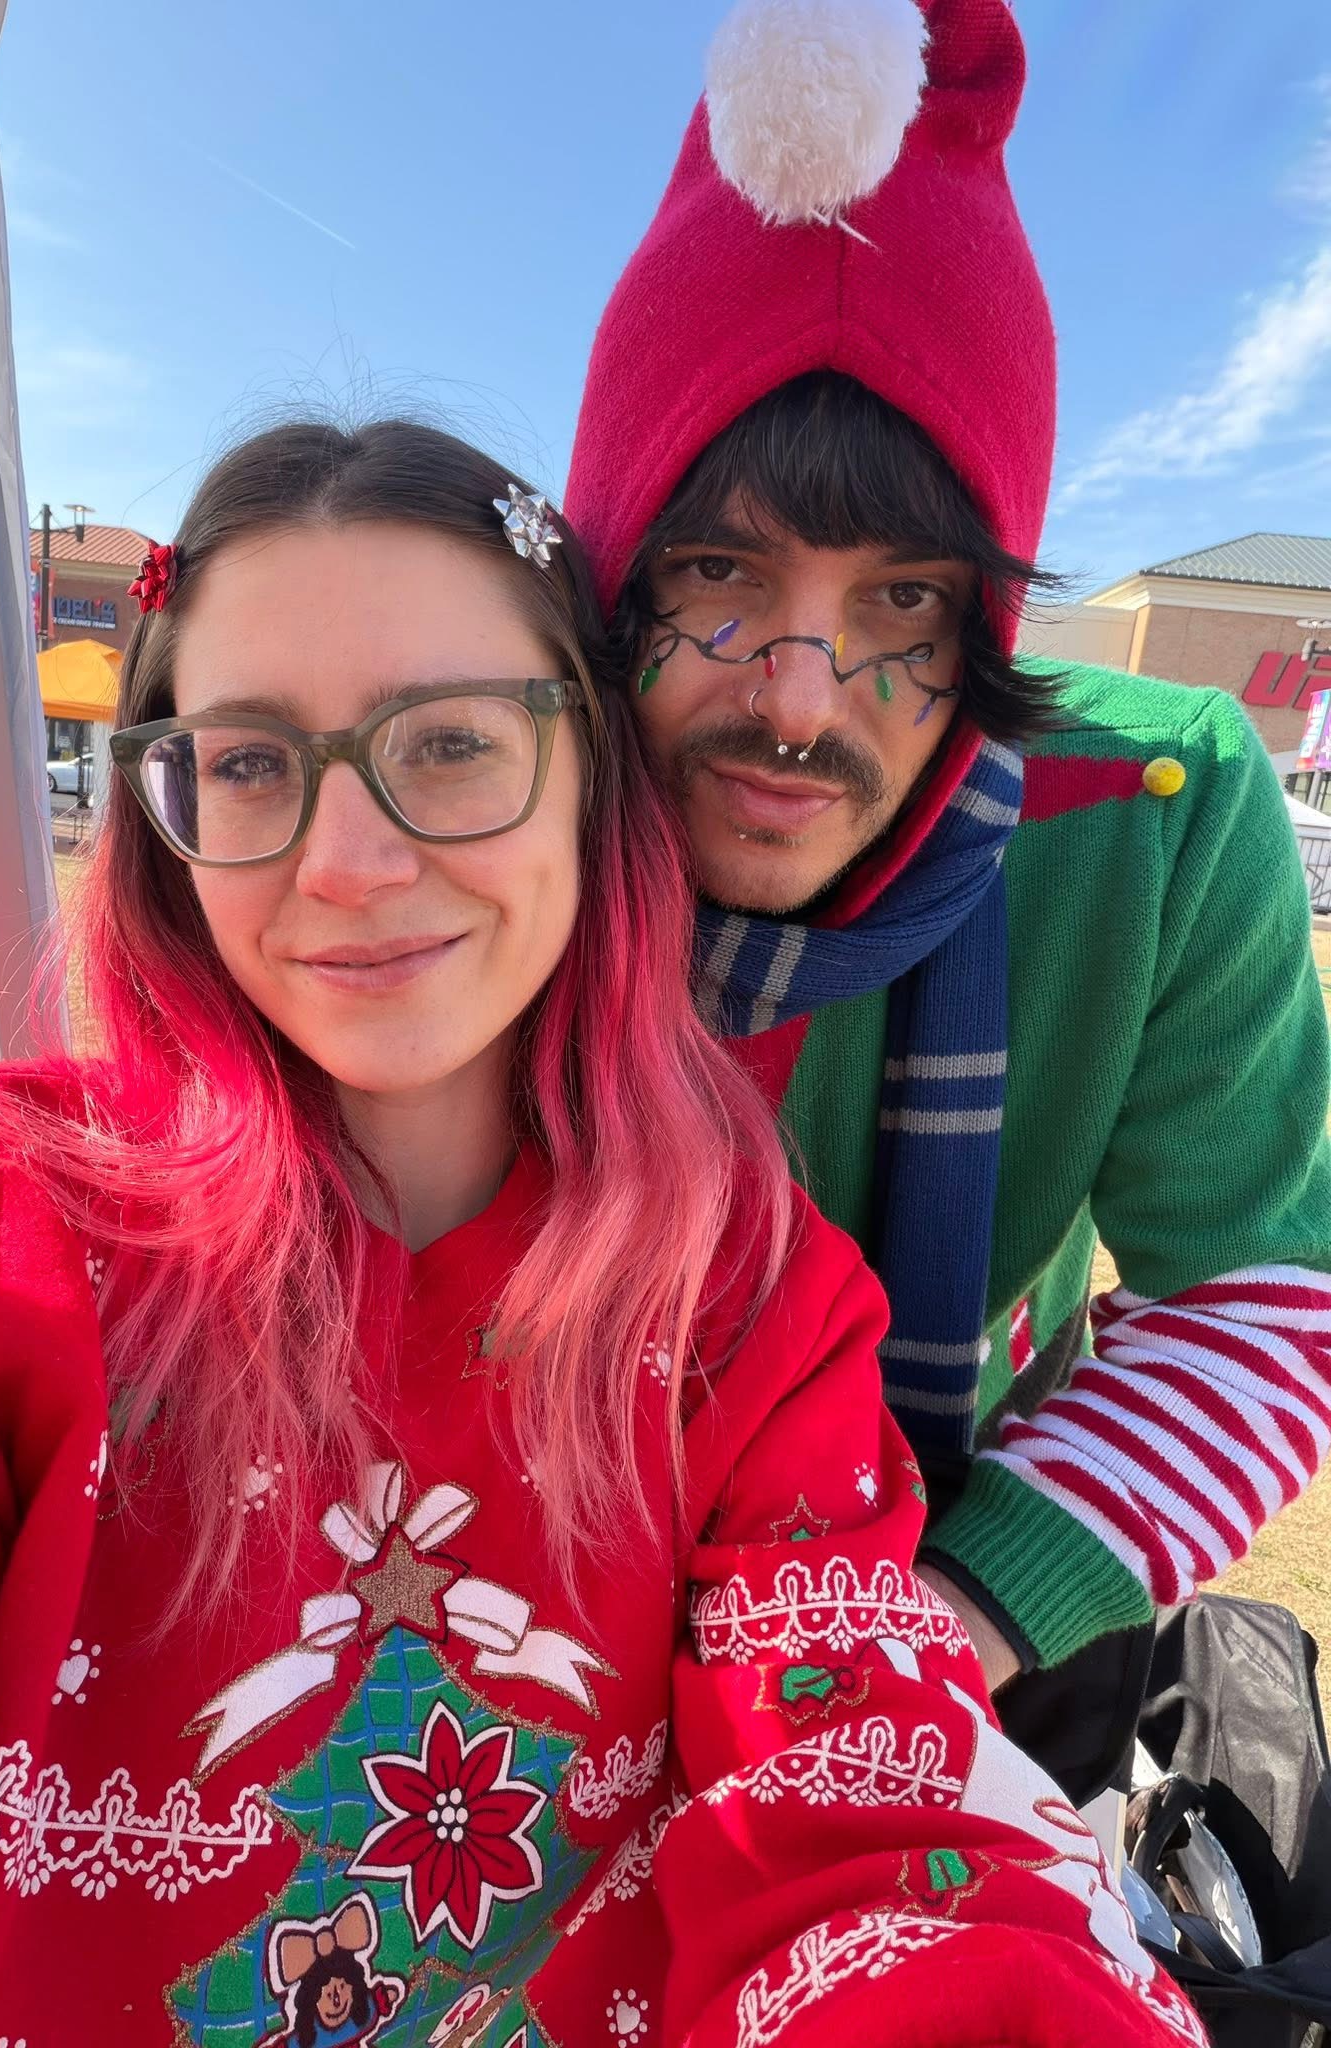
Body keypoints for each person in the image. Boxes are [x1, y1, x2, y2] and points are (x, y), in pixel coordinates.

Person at [0, 420, 1201, 2046]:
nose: (348, 863)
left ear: (595, 776)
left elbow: (866, 1795)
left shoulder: (747, 1306)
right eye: (247, 762)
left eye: (448, 744)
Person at [564, 0, 1331, 1800]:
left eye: (907, 598)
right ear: (610, 575)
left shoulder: (1154, 808)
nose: (803, 696)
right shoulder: (477, 803)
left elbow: (1262, 1297)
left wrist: (941, 1632)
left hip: (984, 1592)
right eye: (715, 567)